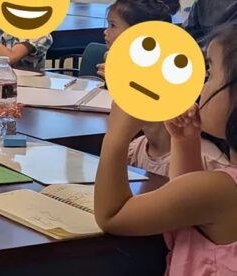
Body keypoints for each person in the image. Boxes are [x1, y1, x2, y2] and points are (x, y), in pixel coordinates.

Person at [95, 23, 237, 275]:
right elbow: (188, 202)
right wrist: (185, 141)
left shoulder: (221, 189)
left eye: (211, 76)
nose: (201, 88)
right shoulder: (216, 189)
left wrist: (116, 137)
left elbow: (112, 216)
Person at [99, 0, 230, 176]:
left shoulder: (210, 165)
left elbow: (114, 206)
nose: (106, 32)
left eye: (209, 76)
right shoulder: (136, 149)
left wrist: (115, 139)